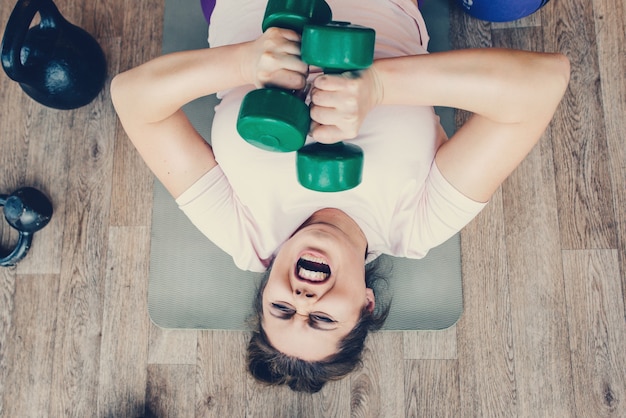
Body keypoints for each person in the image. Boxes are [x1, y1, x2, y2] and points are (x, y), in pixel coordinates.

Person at [111, 0, 570, 393]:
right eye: (321, 320)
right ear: (366, 303)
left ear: (267, 284)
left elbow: (132, 98)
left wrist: (245, 63)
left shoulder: (242, 234)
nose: (303, 298)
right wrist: (379, 87)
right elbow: (543, 83)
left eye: (283, 309)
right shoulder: (417, 223)